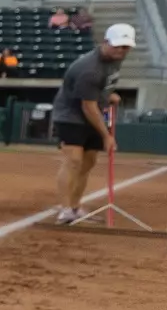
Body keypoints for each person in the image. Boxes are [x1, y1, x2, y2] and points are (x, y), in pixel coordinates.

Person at [49, 24, 136, 224]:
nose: (122, 50)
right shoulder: (89, 69)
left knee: (88, 162)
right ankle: (65, 210)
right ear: (106, 42)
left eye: (125, 47)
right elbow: (88, 106)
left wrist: (107, 95)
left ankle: (75, 206)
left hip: (93, 111)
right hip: (70, 115)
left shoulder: (115, 60)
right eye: (118, 46)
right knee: (74, 161)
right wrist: (106, 136)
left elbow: (100, 90)